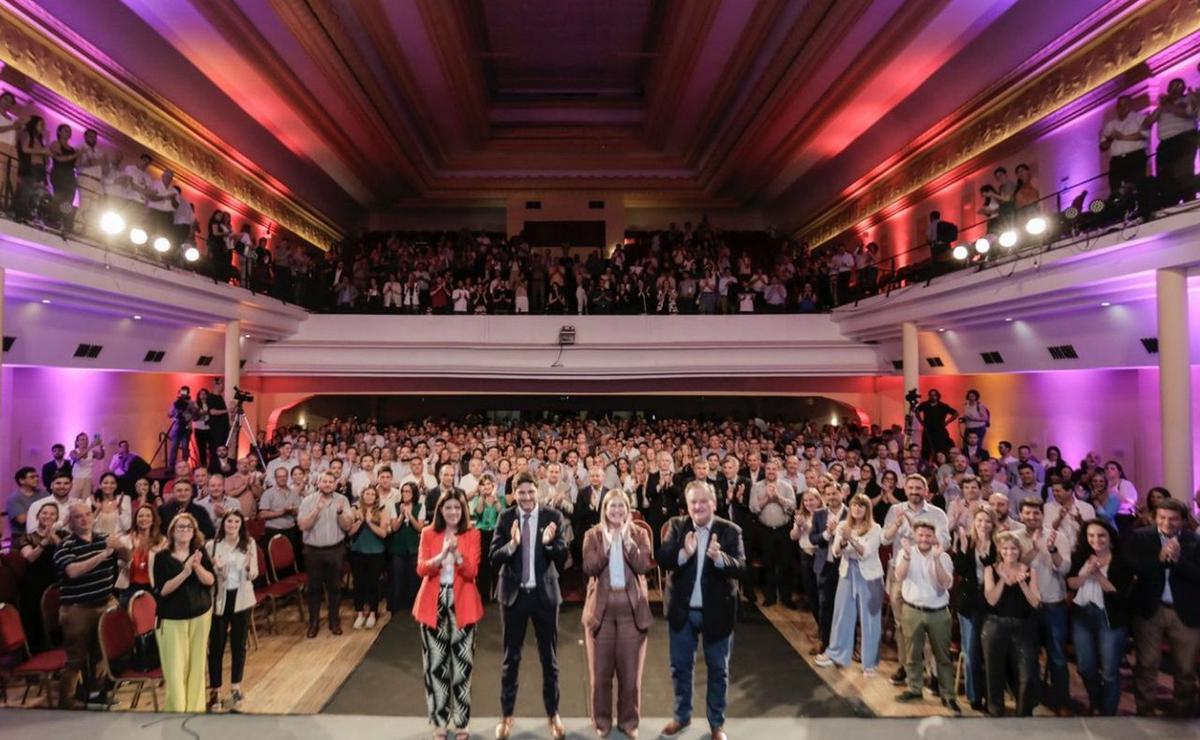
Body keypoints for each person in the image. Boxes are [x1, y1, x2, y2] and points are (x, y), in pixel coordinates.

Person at [658, 480, 746, 740]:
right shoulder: (676, 526)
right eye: (693, 502)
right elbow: (663, 557)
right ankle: (681, 716)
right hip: (682, 612)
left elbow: (741, 567)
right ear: (687, 505)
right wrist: (684, 552)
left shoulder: (731, 531)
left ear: (714, 503)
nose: (698, 506)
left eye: (703, 501)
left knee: (718, 670)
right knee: (680, 667)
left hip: (717, 613)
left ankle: (716, 724)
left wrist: (720, 559)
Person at [490, 471, 568, 740]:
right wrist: (512, 544)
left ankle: (553, 715)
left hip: (545, 596)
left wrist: (548, 545)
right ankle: (506, 716)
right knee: (510, 659)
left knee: (550, 659)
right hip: (513, 596)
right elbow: (493, 557)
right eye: (521, 492)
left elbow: (563, 556)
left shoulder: (552, 517)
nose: (526, 497)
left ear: (538, 491)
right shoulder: (505, 517)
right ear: (514, 494)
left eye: (531, 492)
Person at [582, 490, 653, 738]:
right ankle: (601, 722)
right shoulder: (592, 535)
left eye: (621, 507)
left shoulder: (639, 534)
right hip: (601, 610)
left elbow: (644, 565)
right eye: (612, 507)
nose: (616, 511)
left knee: (630, 675)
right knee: (600, 675)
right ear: (604, 509)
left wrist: (625, 541)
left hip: (631, 611)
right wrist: (609, 543)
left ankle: (629, 723)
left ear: (628, 509)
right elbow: (590, 567)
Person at [414, 489, 483, 740]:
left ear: (463, 510)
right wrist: (441, 556)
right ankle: (440, 723)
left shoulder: (472, 534)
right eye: (448, 508)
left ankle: (462, 723)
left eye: (457, 508)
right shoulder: (428, 533)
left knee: (462, 668)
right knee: (435, 668)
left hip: (463, 602)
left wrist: (456, 555)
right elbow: (421, 569)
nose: (453, 512)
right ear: (440, 510)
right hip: (433, 602)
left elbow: (472, 571)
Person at [1127, 497, 1199, 716]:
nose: (1168, 523)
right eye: (1163, 518)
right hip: (1150, 610)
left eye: (1174, 519)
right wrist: (1159, 560)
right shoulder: (1140, 538)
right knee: (1147, 665)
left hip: (1184, 612)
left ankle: (1182, 713)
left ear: (1183, 520)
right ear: (1154, 517)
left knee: (1186, 670)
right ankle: (1145, 712)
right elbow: (1133, 569)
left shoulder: (1194, 541)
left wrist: (1179, 561)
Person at [53, 501, 123, 707]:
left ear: (94, 517)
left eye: (87, 514)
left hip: (104, 603)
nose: (84, 519)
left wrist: (122, 546)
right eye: (78, 516)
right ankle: (65, 703)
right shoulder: (64, 546)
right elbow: (73, 571)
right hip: (77, 609)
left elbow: (126, 559)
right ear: (71, 522)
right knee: (76, 659)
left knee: (101, 654)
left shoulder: (104, 539)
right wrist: (103, 554)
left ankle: (95, 694)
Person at [1066, 519, 1133, 716]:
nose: (1096, 539)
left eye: (1101, 535)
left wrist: (1098, 575)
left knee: (1110, 672)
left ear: (1111, 538)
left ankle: (1108, 713)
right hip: (1082, 616)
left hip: (1109, 618)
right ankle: (1096, 702)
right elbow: (1071, 583)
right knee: (1085, 667)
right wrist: (1087, 572)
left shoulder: (1121, 560)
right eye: (1091, 535)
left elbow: (1117, 591)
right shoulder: (1080, 557)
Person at [893, 521, 959, 715]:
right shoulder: (905, 553)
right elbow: (899, 576)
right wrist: (905, 555)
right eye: (920, 535)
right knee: (912, 654)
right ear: (914, 535)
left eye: (928, 535)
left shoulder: (944, 556)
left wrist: (936, 560)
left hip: (938, 612)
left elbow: (946, 584)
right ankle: (914, 689)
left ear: (934, 537)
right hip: (912, 609)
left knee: (943, 657)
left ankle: (948, 696)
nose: (924, 539)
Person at [814, 493, 884, 676]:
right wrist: (843, 540)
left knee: (870, 620)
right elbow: (836, 551)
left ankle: (870, 663)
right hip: (847, 573)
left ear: (867, 509)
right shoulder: (843, 526)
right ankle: (836, 654)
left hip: (870, 577)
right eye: (854, 505)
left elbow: (866, 552)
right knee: (842, 614)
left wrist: (851, 538)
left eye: (861, 505)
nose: (857, 508)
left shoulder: (875, 528)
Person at [152, 512, 215, 713]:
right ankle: (176, 714)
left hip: (200, 615)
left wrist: (196, 567)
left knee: (197, 668)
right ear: (172, 531)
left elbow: (210, 581)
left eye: (189, 527)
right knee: (175, 671)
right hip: (172, 619)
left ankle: (195, 712)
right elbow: (163, 590)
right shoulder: (161, 557)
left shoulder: (200, 552)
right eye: (181, 527)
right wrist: (185, 572)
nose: (185, 530)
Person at [980, 531, 1040, 716]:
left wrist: (1022, 583)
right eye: (1005, 548)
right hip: (995, 625)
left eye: (1013, 548)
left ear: (1019, 550)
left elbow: (1036, 602)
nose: (1009, 552)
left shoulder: (1030, 571)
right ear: (1000, 550)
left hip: (1023, 626)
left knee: (1027, 674)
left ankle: (1024, 713)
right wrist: (1003, 582)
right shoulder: (991, 569)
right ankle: (996, 710)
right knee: (994, 671)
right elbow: (991, 600)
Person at [206, 510, 258, 712]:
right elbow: (209, 575)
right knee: (217, 647)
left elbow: (254, 573)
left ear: (241, 524)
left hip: (242, 599)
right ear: (223, 523)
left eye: (237, 521)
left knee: (239, 645)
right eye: (230, 521)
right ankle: (216, 690)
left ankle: (236, 686)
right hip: (220, 600)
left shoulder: (249, 544)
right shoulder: (212, 546)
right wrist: (218, 569)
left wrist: (247, 569)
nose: (233, 524)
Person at [298, 471, 354, 637]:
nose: (328, 484)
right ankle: (313, 623)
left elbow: (347, 525)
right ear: (318, 483)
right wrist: (316, 511)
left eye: (331, 481)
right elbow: (303, 526)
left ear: (335, 484)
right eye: (325, 481)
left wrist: (340, 514)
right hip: (313, 551)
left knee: (335, 588)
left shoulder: (342, 500)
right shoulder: (308, 501)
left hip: (335, 550)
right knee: (314, 589)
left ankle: (334, 621)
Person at [951, 507, 996, 711]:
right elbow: (959, 569)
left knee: (990, 651)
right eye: (979, 520)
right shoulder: (966, 540)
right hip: (969, 600)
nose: (983, 525)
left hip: (991, 601)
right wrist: (961, 547)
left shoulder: (998, 544)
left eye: (987, 521)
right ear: (974, 521)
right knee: (971, 650)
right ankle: (974, 696)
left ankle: (992, 695)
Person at [749, 460, 797, 608]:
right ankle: (770, 597)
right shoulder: (757, 487)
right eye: (768, 469)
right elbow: (753, 508)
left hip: (784, 530)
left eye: (773, 469)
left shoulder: (786, 487)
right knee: (768, 564)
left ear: (779, 470)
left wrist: (777, 498)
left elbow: (792, 508)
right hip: (765, 531)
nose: (770, 471)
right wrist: (767, 498)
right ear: (765, 470)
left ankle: (786, 598)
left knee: (786, 565)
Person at [16, 501, 61, 654]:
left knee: (56, 619)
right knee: (35, 621)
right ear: (38, 515)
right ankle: (36, 655)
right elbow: (29, 558)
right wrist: (44, 542)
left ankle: (57, 652)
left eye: (52, 514)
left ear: (57, 518)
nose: (48, 516)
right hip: (34, 584)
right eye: (44, 513)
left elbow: (65, 552)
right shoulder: (26, 537)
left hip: (55, 581)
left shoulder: (62, 535)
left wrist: (53, 537)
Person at [349, 486, 391, 629]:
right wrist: (361, 521)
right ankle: (360, 613)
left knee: (374, 584)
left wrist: (369, 522)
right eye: (367, 493)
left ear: (376, 497)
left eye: (373, 494)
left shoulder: (382, 511)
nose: (370, 496)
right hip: (357, 552)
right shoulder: (355, 510)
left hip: (376, 552)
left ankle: (373, 613)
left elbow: (384, 534)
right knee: (358, 583)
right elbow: (349, 532)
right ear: (362, 495)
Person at [116, 503, 165, 604]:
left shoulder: (162, 541)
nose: (144, 519)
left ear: (153, 520)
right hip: (129, 589)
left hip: (152, 588)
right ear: (136, 519)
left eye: (148, 516)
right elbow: (120, 564)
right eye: (141, 516)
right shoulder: (124, 540)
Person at [388, 481, 426, 612]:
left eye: (408, 491)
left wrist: (410, 515)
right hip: (398, 547)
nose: (405, 494)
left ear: (414, 493)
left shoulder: (420, 506)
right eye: (403, 491)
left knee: (413, 578)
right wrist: (401, 515)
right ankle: (398, 607)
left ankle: (414, 606)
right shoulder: (395, 506)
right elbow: (394, 527)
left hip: (414, 547)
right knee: (398, 577)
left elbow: (420, 527)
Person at [1100, 94, 1149, 194]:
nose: (1122, 107)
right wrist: (1110, 139)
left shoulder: (1140, 118)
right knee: (1116, 189)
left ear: (1131, 105)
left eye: (1125, 104)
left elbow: (1144, 135)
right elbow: (1102, 147)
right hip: (1117, 161)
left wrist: (1123, 137)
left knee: (1136, 187)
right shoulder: (1111, 124)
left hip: (1135, 157)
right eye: (1120, 105)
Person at [915, 390, 957, 461]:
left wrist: (947, 422)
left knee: (940, 449)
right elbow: (916, 411)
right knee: (926, 448)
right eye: (931, 395)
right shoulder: (925, 404)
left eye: (934, 395)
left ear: (938, 396)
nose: (932, 397)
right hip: (927, 430)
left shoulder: (943, 406)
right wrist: (921, 421)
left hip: (939, 431)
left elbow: (955, 413)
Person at [7, 466, 47, 536]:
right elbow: (22, 519)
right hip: (22, 536)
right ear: (21, 481)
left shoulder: (43, 493)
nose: (36, 479)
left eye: (37, 476)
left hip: (43, 533)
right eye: (32, 477)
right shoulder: (14, 498)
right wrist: (43, 511)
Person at [167, 386, 198, 469]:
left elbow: (196, 415)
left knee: (185, 448)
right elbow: (169, 414)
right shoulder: (176, 403)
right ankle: (171, 466)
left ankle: (185, 466)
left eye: (185, 392)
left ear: (188, 392)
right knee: (174, 447)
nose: (183, 393)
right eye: (182, 391)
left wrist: (191, 410)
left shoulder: (191, 403)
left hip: (187, 427)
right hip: (177, 428)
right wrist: (177, 412)